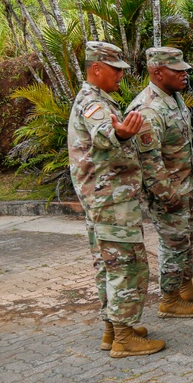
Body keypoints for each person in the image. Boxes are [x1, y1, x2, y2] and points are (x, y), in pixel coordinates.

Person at [68, 41, 164, 358]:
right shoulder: (93, 103)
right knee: (128, 265)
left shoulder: (94, 99)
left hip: (104, 199)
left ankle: (112, 329)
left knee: (107, 264)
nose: (121, 76)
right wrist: (121, 134)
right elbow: (102, 133)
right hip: (111, 200)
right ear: (97, 69)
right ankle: (124, 338)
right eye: (116, 69)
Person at [128, 47, 193, 320]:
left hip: (184, 186)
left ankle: (185, 287)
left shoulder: (173, 98)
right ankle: (169, 299)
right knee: (174, 243)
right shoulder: (149, 108)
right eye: (178, 70)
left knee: (188, 239)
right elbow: (149, 162)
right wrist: (168, 194)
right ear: (158, 72)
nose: (184, 73)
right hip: (168, 192)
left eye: (184, 68)